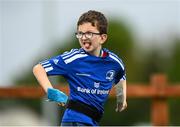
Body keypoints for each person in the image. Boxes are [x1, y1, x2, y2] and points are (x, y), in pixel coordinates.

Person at [33, 10, 127, 126]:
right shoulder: (73, 59)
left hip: (93, 121)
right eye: (80, 33)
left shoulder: (114, 62)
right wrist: (51, 91)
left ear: (102, 38)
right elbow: (39, 69)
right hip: (74, 121)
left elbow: (121, 75)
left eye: (89, 33)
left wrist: (121, 99)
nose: (83, 37)